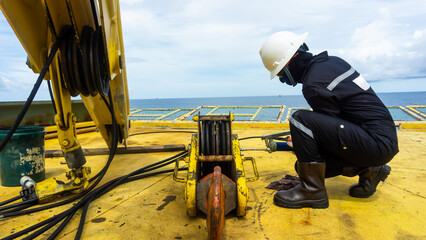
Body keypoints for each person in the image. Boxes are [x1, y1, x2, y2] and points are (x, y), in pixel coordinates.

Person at [259, 31, 399, 209]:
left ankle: (312, 192)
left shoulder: (313, 84)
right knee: (301, 166)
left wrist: (303, 141)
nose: (284, 80)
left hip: (375, 143)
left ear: (289, 63)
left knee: (299, 119)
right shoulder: (332, 62)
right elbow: (340, 125)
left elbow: (331, 139)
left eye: (281, 74)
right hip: (383, 139)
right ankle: (370, 170)